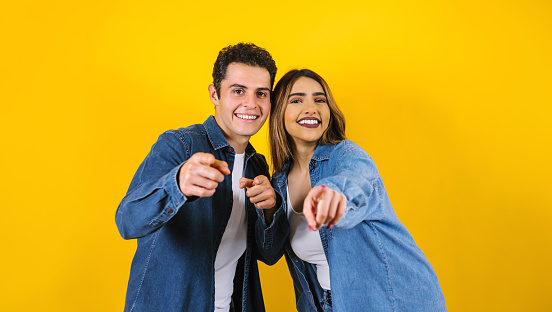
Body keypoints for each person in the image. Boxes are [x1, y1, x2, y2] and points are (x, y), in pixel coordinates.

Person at [257, 69, 447, 311]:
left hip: (393, 300)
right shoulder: (280, 182)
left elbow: (356, 181)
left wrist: (333, 196)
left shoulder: (347, 154)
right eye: (297, 100)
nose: (311, 108)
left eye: (319, 99)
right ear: (279, 114)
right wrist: (271, 209)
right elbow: (269, 254)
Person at [115, 42, 281, 312]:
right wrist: (178, 184)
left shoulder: (258, 166)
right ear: (215, 94)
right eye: (238, 91)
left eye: (261, 93)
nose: (251, 104)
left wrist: (271, 210)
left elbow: (270, 255)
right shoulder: (179, 145)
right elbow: (127, 221)